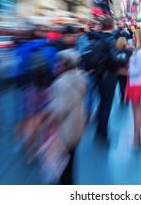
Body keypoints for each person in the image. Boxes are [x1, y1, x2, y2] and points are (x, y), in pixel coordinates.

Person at [46, 50, 88, 184]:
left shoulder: (60, 82)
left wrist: (48, 115)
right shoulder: (81, 77)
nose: (56, 65)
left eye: (58, 62)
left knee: (64, 165)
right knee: (72, 160)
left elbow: (59, 110)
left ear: (64, 64)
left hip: (66, 129)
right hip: (78, 124)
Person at [125, 29, 141, 149]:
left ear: (138, 38)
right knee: (137, 111)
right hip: (135, 83)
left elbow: (139, 70)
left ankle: (136, 139)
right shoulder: (140, 51)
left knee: (136, 112)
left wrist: (127, 70)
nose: (132, 39)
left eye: (134, 37)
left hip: (136, 84)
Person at [115, 37, 133, 105]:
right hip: (127, 69)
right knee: (127, 83)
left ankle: (123, 96)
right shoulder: (129, 50)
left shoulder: (116, 50)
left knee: (121, 83)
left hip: (119, 69)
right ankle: (127, 96)